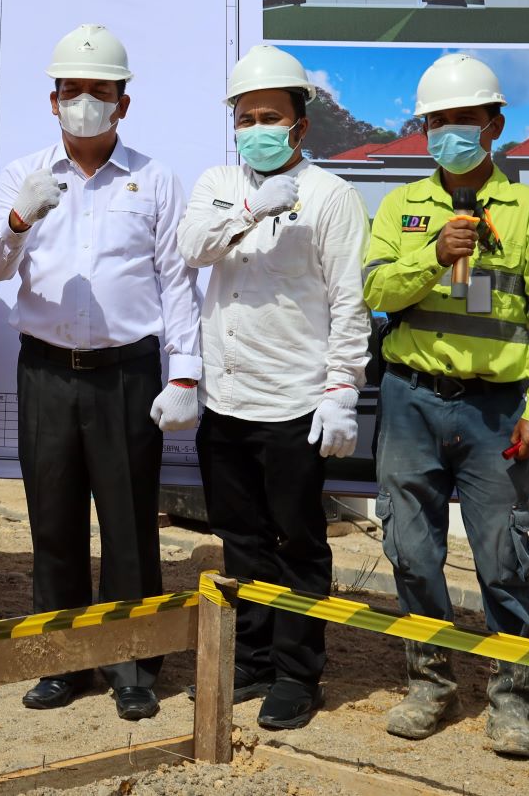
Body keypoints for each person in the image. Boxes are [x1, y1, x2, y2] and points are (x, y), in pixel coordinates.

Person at [0, 23, 201, 722]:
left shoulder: (152, 178)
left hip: (126, 372)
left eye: (97, 92)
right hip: (45, 369)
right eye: (70, 91)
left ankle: (130, 661)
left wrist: (185, 373)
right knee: (51, 517)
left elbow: (174, 281)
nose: (83, 103)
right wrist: (18, 220)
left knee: (130, 520)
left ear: (121, 104)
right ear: (52, 100)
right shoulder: (23, 173)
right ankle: (60, 661)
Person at [364, 52, 529, 759]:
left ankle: (512, 700)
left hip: (495, 412)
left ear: (493, 124)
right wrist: (432, 256)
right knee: (411, 550)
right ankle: (429, 684)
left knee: (501, 558)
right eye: (436, 121)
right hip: (410, 401)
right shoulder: (402, 208)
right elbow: (376, 294)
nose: (449, 131)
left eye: (463, 119)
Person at [176, 44, 370, 731]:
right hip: (225, 402)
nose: (257, 127)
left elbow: (349, 301)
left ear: (299, 126)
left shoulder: (331, 196)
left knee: (297, 542)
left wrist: (341, 387)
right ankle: (252, 657)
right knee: (240, 540)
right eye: (245, 115)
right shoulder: (217, 183)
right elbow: (192, 248)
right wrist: (253, 207)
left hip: (293, 402)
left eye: (270, 116)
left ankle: (297, 672)